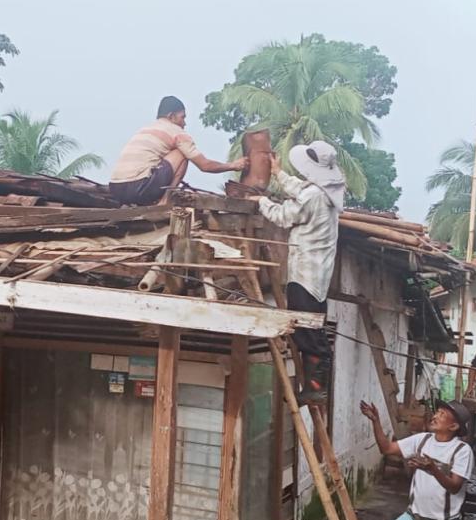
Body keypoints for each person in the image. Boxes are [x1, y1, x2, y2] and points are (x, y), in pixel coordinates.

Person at [249, 142, 346, 405]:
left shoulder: (314, 196)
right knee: (308, 326)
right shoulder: (325, 191)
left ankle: (316, 386)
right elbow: (301, 190)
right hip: (316, 272)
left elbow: (283, 215)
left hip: (305, 272)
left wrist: (261, 201)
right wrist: (279, 173)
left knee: (306, 331)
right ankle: (314, 386)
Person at [360, 399, 474, 520]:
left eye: (442, 415)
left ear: (453, 427)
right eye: (437, 412)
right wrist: (375, 421)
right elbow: (386, 448)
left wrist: (433, 469)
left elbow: (455, 487)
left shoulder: (462, 451)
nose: (435, 416)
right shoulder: (423, 439)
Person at [110, 96, 248, 205]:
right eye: (182, 117)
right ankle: (164, 202)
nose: (184, 123)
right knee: (182, 153)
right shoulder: (176, 132)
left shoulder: (145, 130)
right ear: (171, 116)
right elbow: (204, 165)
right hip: (139, 187)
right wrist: (233, 165)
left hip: (116, 189)